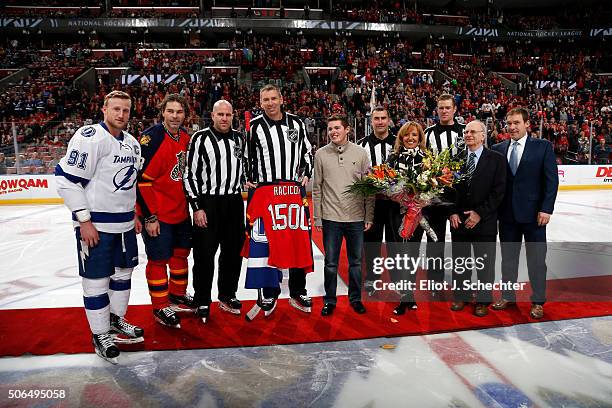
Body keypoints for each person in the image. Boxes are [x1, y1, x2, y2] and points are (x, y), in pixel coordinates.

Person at [55, 90, 143, 364]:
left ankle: (115, 321)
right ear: (104, 109)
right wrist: (84, 220)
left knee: (123, 274)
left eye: (126, 110)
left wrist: (136, 214)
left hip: (126, 224)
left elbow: (131, 184)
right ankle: (100, 334)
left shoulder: (131, 142)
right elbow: (66, 180)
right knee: (96, 281)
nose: (121, 115)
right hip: (97, 226)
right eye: (116, 109)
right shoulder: (90, 137)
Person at [245, 84, 313, 313]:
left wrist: (306, 173)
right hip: (266, 192)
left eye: (274, 98)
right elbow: (247, 157)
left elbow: (307, 152)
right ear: (260, 102)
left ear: (282, 99)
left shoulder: (296, 123)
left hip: (293, 192)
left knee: (297, 239)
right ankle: (269, 291)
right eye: (266, 99)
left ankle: (297, 290)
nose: (270, 103)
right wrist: (248, 178)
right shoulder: (254, 127)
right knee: (266, 241)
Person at [491, 107, 559, 319]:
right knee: (508, 260)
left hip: (534, 217)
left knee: (537, 261)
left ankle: (538, 301)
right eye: (509, 123)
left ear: (527, 124)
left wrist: (546, 209)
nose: (512, 127)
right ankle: (508, 296)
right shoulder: (498, 148)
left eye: (516, 123)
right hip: (507, 216)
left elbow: (551, 181)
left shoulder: (543, 147)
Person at [184, 100, 246, 323]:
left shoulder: (240, 138)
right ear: (212, 115)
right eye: (220, 114)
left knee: (232, 253)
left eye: (228, 115)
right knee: (204, 255)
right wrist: (197, 207)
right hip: (207, 203)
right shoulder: (200, 139)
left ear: (233, 115)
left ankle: (227, 294)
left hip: (234, 202)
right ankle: (202, 298)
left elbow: (245, 168)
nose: (224, 118)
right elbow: (189, 175)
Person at [136, 94, 194, 329]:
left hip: (180, 212)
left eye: (179, 112)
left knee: (180, 255)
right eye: (170, 111)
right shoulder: (151, 138)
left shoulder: (186, 138)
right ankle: (160, 306)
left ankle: (177, 296)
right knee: (158, 260)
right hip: (158, 215)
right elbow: (141, 181)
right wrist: (149, 216)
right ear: (163, 112)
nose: (175, 116)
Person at [313, 115, 373, 316]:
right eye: (330, 129)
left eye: (337, 128)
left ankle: (355, 299)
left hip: (355, 218)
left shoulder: (361, 153)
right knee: (331, 263)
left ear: (347, 129)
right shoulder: (320, 154)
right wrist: (318, 217)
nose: (333, 132)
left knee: (355, 262)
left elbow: (368, 188)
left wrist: (368, 215)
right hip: (331, 218)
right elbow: (317, 188)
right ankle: (329, 300)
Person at [449, 120, 506, 317]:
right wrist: (452, 212)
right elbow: (449, 190)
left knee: (484, 264)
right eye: (466, 132)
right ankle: (461, 295)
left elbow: (499, 192)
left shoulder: (497, 159)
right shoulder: (456, 158)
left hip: (485, 221)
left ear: (483, 135)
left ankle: (483, 299)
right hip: (460, 221)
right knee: (460, 263)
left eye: (473, 131)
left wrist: (479, 213)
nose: (468, 135)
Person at [423, 93, 466, 297]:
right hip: (435, 199)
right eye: (441, 108)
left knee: (461, 244)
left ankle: (461, 285)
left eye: (448, 107)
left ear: (454, 109)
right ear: (437, 109)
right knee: (435, 243)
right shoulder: (428, 133)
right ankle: (435, 284)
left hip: (459, 197)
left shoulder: (465, 132)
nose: (444, 111)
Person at [385, 121, 427, 315]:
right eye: (407, 135)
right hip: (396, 213)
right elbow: (385, 184)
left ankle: (408, 295)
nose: (411, 138)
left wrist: (424, 198)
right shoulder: (392, 158)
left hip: (416, 213)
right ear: (401, 138)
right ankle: (405, 296)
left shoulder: (427, 159)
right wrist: (395, 193)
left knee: (412, 254)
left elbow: (433, 187)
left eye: (414, 135)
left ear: (420, 138)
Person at [357, 106, 399, 295]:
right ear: (371, 121)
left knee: (394, 242)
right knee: (371, 242)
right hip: (371, 202)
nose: (380, 121)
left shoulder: (400, 143)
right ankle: (372, 278)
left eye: (383, 118)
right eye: (376, 118)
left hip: (394, 202)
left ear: (389, 120)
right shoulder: (361, 145)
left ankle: (398, 279)